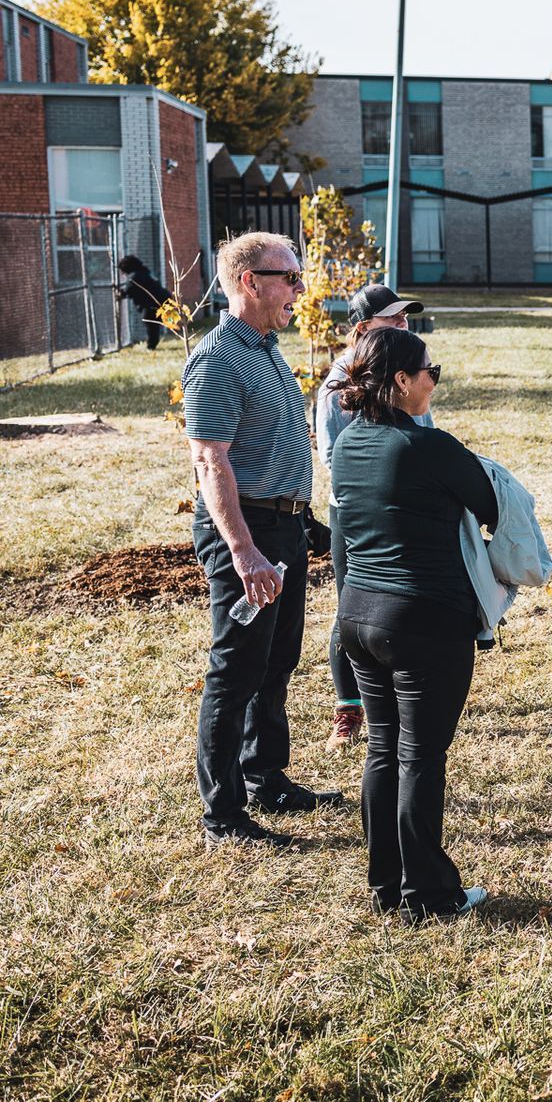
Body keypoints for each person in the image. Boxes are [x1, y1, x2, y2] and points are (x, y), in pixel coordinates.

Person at [329, 326, 496, 921]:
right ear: (401, 381)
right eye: (430, 370)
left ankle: (386, 886)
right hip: (425, 618)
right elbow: (492, 503)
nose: (434, 379)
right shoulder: (429, 446)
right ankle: (427, 894)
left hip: (358, 616)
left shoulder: (347, 443)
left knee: (383, 748)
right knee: (421, 756)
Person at [184, 232, 343, 848]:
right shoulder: (220, 357)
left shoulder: (267, 349)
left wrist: (303, 526)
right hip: (245, 528)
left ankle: (265, 777)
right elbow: (210, 460)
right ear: (249, 282)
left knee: (276, 661)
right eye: (290, 278)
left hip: (283, 524)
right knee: (237, 668)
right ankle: (222, 815)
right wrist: (243, 550)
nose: (300, 290)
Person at [315, 284, 427, 751]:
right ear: (362, 329)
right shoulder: (339, 385)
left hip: (407, 507)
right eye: (393, 320)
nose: (404, 326)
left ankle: (397, 693)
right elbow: (335, 459)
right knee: (352, 608)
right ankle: (348, 707)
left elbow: (425, 433)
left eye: (405, 319)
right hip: (356, 516)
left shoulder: (405, 372)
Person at [115, 254, 173, 350]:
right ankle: (153, 343)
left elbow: (129, 289)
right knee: (152, 322)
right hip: (161, 299)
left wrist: (121, 294)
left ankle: (151, 346)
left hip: (155, 302)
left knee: (150, 321)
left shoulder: (135, 277)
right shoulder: (143, 272)